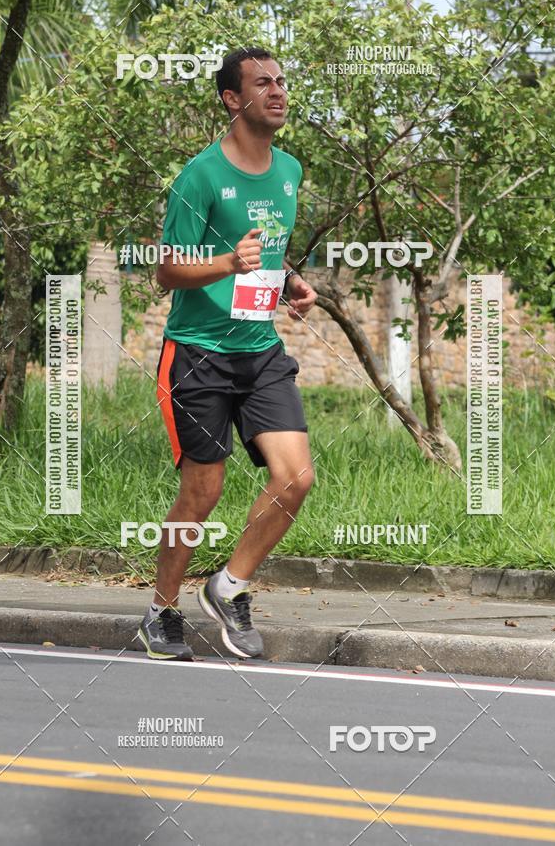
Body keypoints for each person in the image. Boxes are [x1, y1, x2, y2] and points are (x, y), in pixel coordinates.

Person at [137, 47, 317, 662]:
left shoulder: (289, 169)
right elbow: (167, 271)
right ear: (232, 100)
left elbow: (267, 250)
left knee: (295, 477)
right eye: (262, 82)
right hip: (198, 354)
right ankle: (160, 612)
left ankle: (228, 586)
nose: (277, 90)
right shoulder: (201, 176)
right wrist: (225, 263)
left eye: (282, 81)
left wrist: (289, 281)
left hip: (260, 349)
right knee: (202, 493)